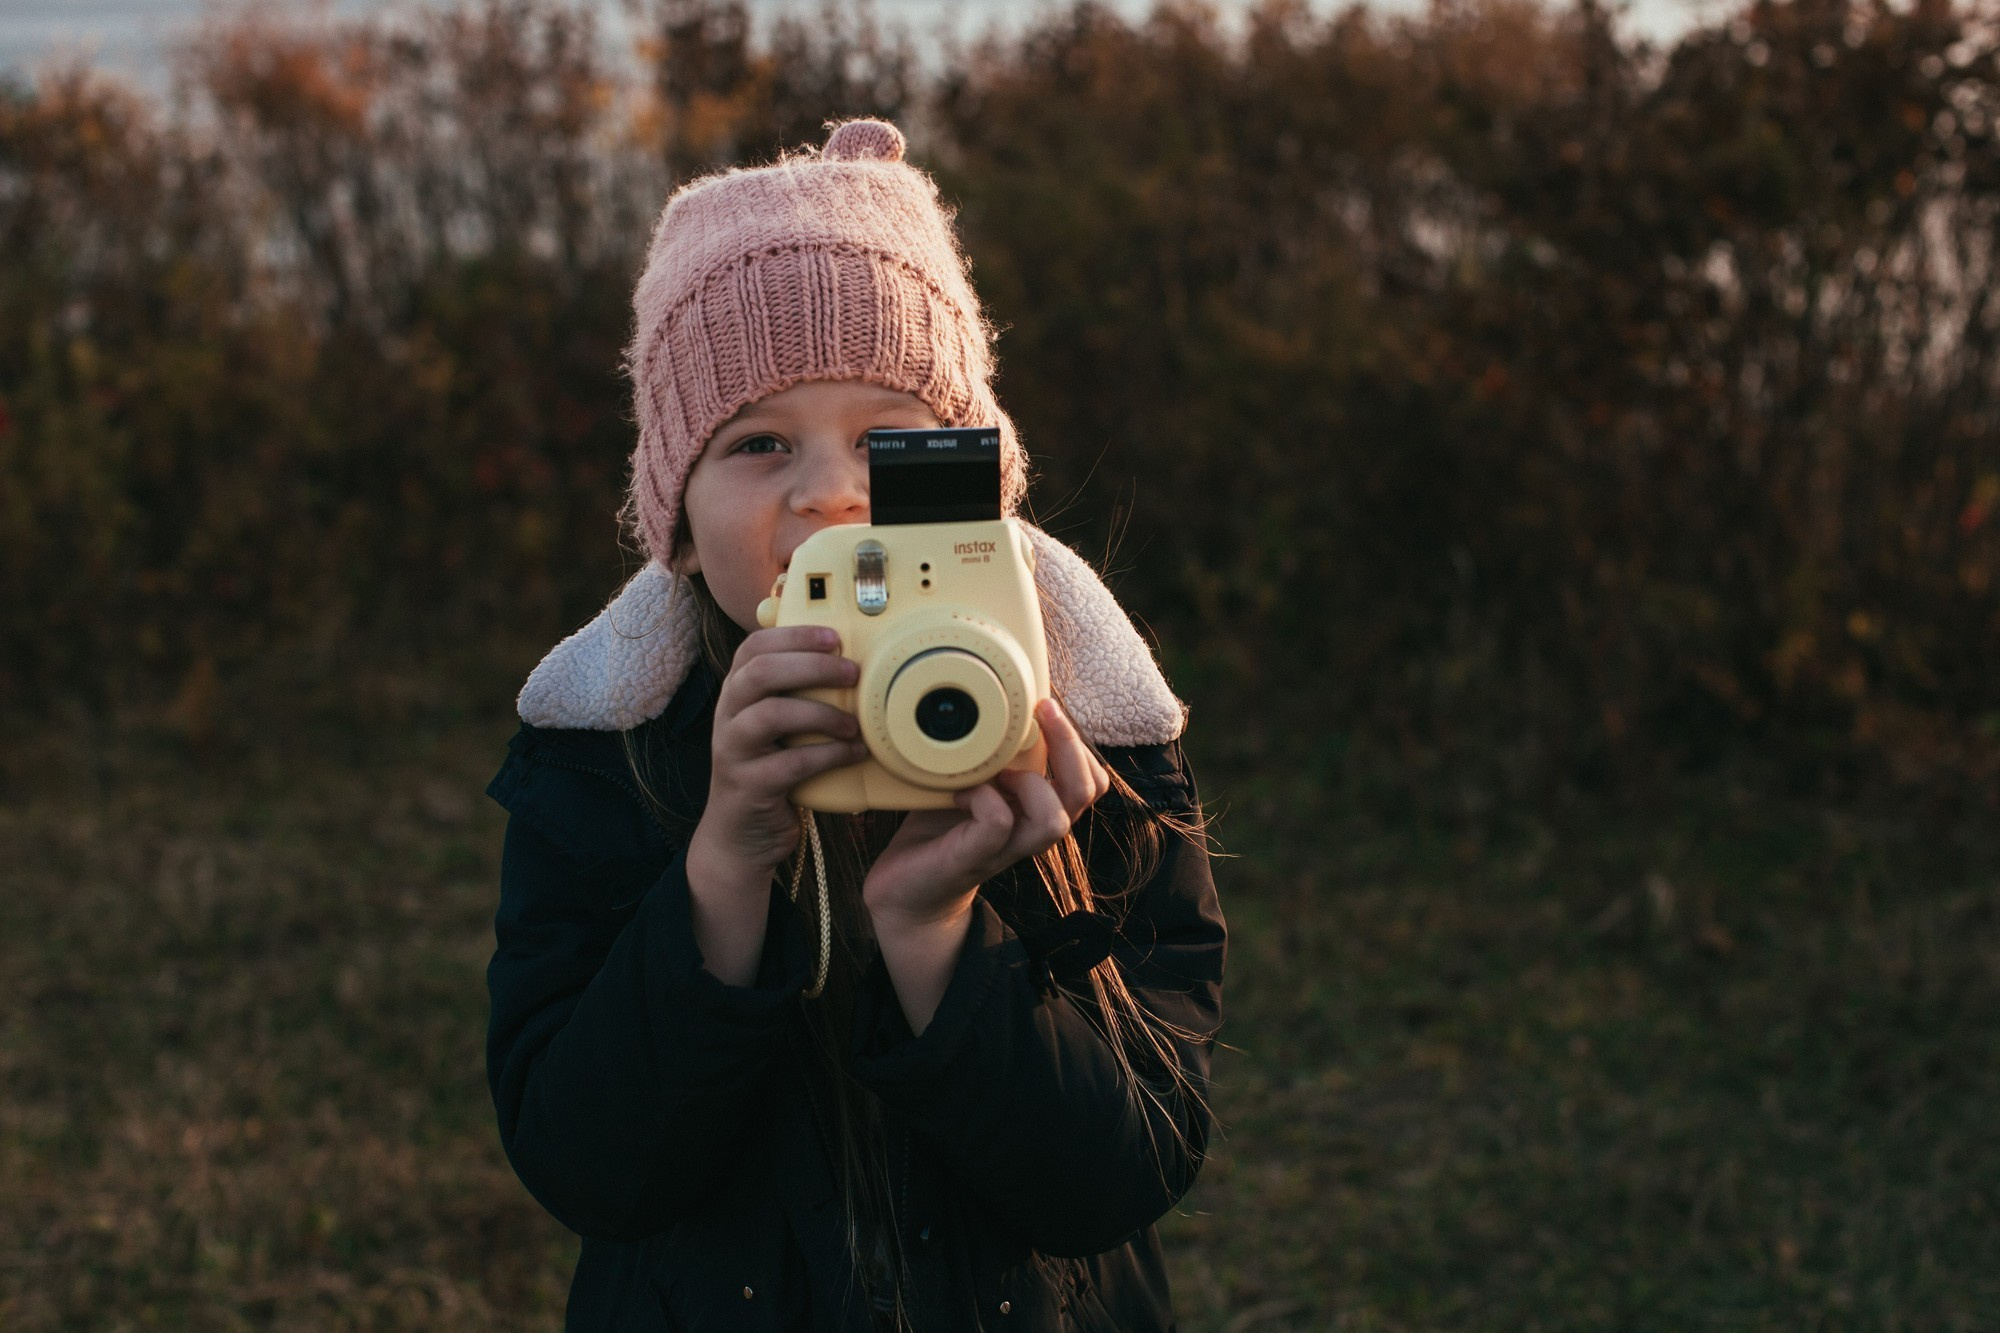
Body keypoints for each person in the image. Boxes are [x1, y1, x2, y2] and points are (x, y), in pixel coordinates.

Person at [484, 117, 1225, 1332]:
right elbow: (588, 1168)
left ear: (979, 496)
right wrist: (721, 866)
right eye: (757, 442)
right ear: (673, 515)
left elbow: (1119, 1175)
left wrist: (938, 937)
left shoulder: (1093, 746)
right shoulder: (607, 755)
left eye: (890, 441)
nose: (828, 490)